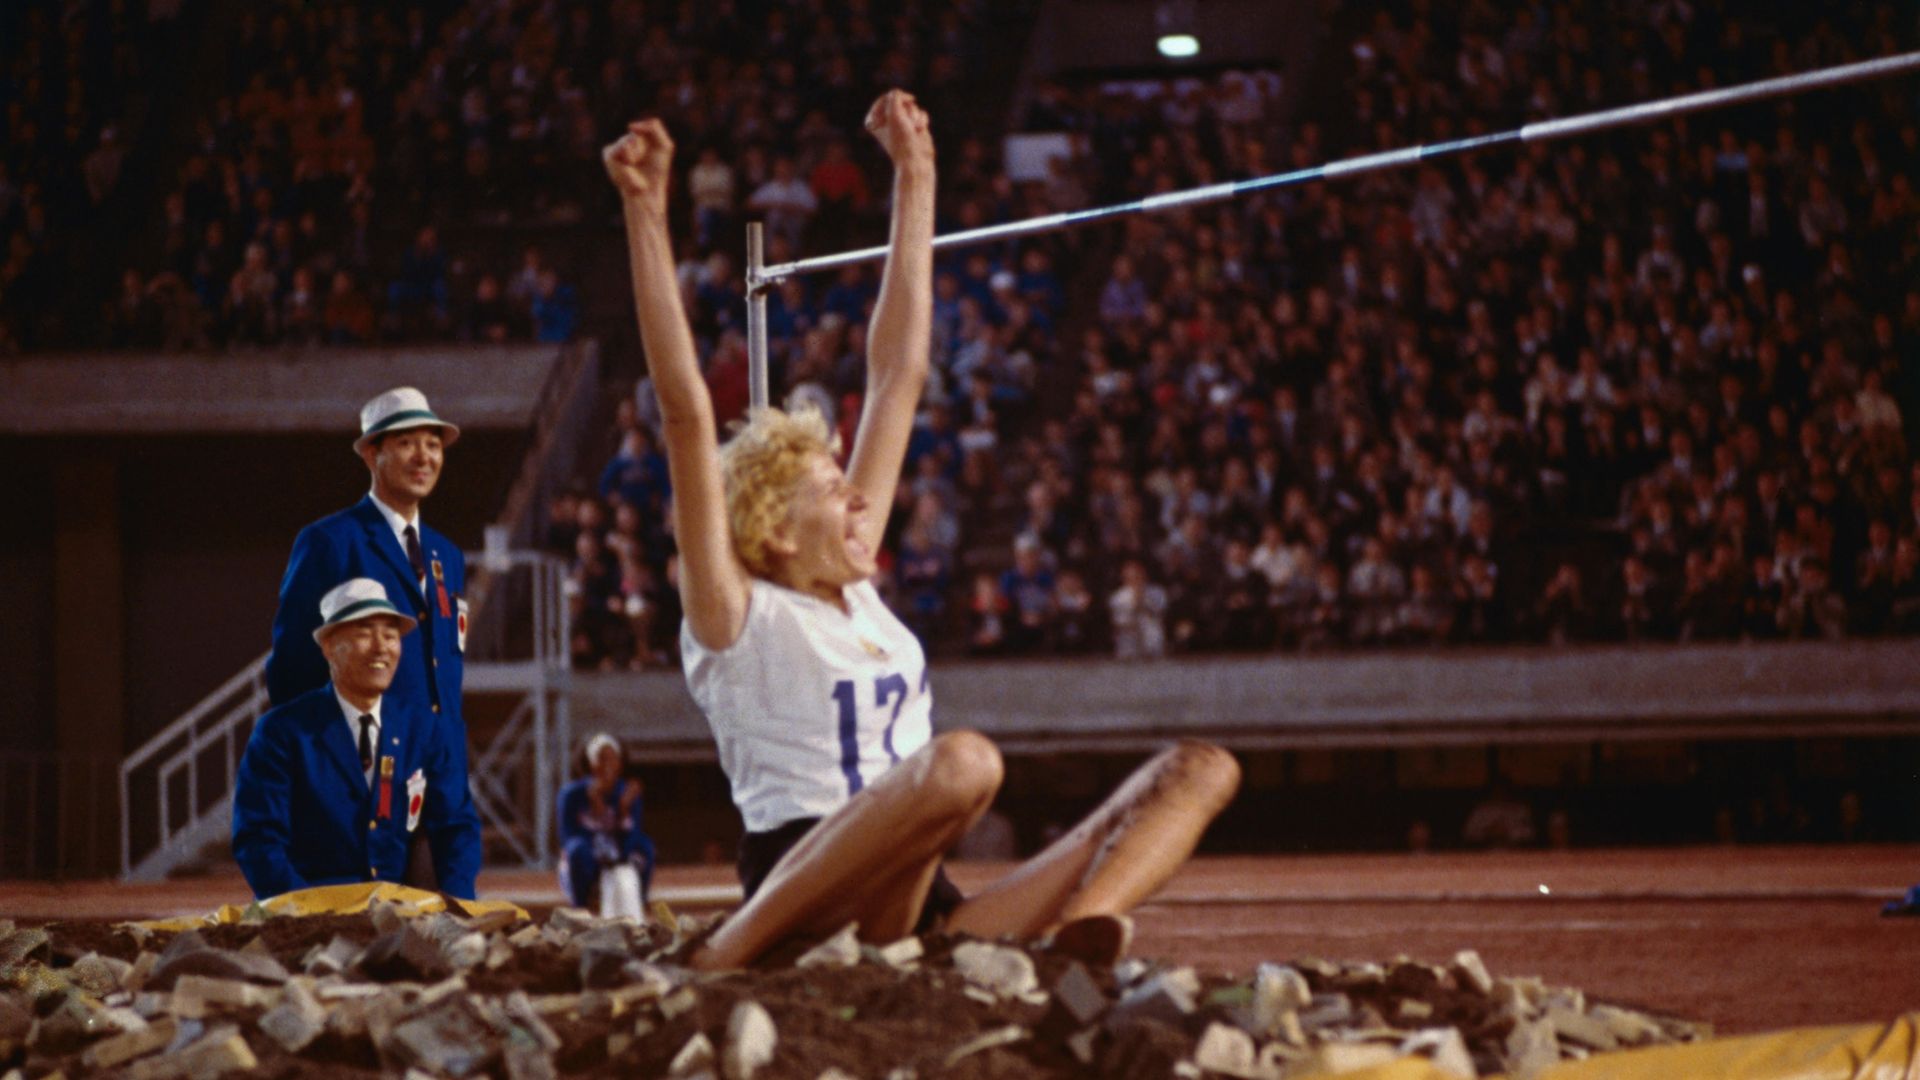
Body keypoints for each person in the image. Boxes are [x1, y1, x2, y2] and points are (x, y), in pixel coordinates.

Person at [603, 92, 1240, 972]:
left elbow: (899, 372)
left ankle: (1080, 934)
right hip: (806, 892)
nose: (863, 501)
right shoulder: (734, 613)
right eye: (835, 490)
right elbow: (683, 414)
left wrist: (916, 172)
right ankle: (728, 952)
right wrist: (645, 207)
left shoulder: (858, 594)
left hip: (915, 906)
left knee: (1198, 769)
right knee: (963, 766)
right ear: (776, 534)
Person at [266, 386, 470, 888]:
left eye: (434, 444)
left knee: (447, 943)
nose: (424, 456)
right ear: (372, 455)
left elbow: (444, 674)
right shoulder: (331, 542)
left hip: (436, 788)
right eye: (406, 443)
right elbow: (292, 669)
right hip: (358, 792)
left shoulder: (448, 557)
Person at [233, 578, 482, 899]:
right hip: (310, 913)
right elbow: (258, 839)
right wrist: (305, 912)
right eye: (365, 633)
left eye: (391, 636)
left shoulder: (423, 729)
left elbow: (457, 826)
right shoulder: (282, 733)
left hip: (396, 912)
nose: (381, 647)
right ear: (328, 647)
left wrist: (455, 903)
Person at [557, 733, 657, 910]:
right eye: (601, 759)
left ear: (620, 763)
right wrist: (597, 809)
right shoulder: (571, 794)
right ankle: (580, 903)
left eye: (613, 759)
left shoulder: (628, 792)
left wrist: (624, 810)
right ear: (591, 763)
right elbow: (567, 836)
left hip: (618, 852)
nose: (607, 766)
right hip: (587, 855)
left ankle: (640, 899)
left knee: (645, 846)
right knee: (575, 849)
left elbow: (633, 835)